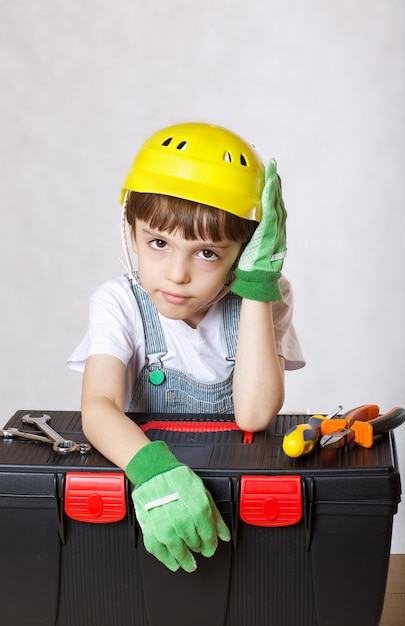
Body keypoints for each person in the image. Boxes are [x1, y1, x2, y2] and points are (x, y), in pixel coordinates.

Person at [67, 121, 304, 574]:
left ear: (244, 251)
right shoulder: (119, 303)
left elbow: (254, 415)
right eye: (158, 243)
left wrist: (257, 287)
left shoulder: (265, 295)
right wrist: (154, 473)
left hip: (238, 512)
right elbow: (98, 407)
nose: (177, 274)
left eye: (208, 253)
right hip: (150, 503)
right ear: (130, 232)